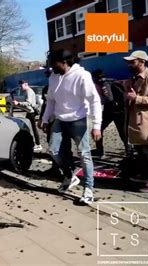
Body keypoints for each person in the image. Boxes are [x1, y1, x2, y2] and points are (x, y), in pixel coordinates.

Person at [40, 49, 102, 204]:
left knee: (84, 154)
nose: (52, 68)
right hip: (60, 119)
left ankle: (88, 189)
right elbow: (51, 101)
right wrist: (45, 119)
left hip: (79, 119)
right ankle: (70, 176)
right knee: (53, 150)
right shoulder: (54, 77)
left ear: (64, 62)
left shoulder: (82, 76)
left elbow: (94, 100)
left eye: (54, 64)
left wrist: (97, 125)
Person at [123, 50, 148, 192]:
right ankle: (146, 175)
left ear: (142, 62)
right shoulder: (133, 78)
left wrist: (137, 99)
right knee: (141, 152)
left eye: (132, 62)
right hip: (135, 123)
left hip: (146, 123)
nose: (129, 64)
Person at [91, 69, 129, 157]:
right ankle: (128, 151)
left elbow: (109, 98)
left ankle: (99, 151)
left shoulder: (104, 83)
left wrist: (101, 101)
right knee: (122, 133)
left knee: (99, 129)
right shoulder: (111, 80)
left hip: (113, 111)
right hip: (119, 111)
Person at [13, 80, 42, 151]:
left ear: (26, 84)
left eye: (21, 85)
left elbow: (28, 103)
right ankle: (32, 143)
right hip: (29, 112)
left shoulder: (29, 91)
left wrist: (18, 103)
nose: (20, 87)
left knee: (32, 129)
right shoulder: (28, 91)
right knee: (28, 128)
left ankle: (38, 144)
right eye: (20, 86)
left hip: (31, 113)